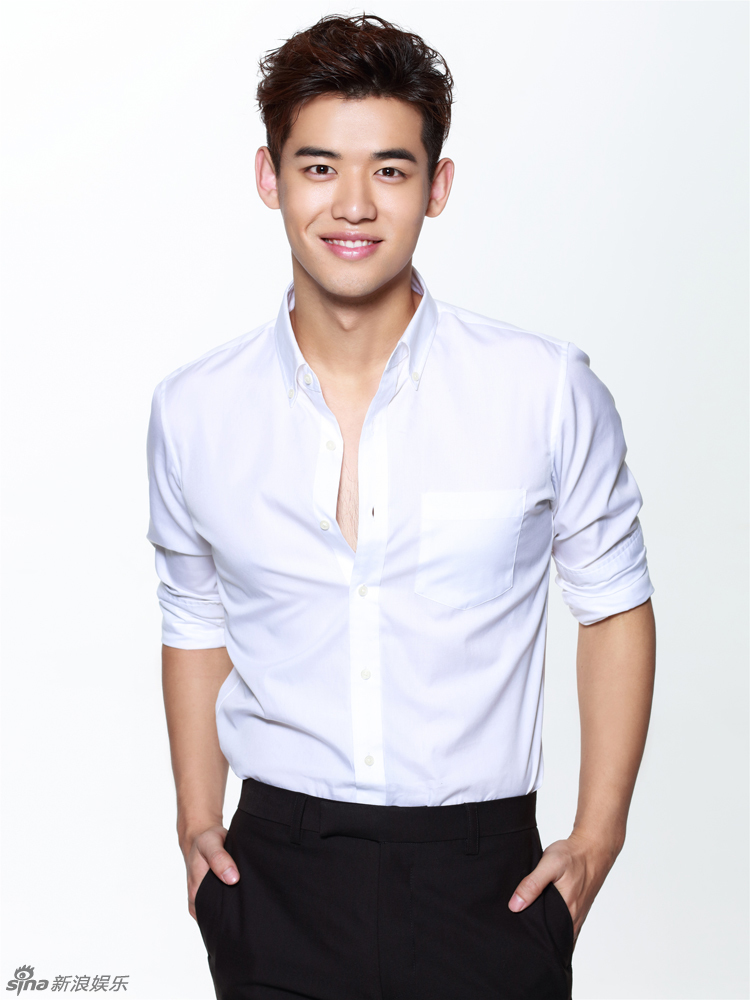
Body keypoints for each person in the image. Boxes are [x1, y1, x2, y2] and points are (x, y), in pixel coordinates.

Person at [146, 13, 656, 1000]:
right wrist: (196, 821)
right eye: (318, 167)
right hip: (274, 876)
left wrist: (598, 838)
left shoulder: (543, 389)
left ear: (437, 186)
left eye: (389, 169)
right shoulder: (194, 409)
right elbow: (193, 611)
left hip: (484, 883)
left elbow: (613, 602)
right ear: (270, 178)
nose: (353, 204)